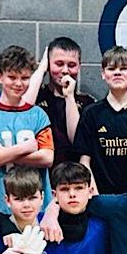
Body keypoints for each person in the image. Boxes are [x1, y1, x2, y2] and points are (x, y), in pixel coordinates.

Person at [0, 45, 55, 222]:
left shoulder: (38, 115)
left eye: (25, 78)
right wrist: (25, 148)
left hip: (36, 211)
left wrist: (1, 152)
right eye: (12, 77)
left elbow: (47, 158)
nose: (18, 83)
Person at [72, 46, 127, 195]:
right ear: (103, 74)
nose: (117, 72)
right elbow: (84, 160)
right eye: (111, 68)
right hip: (98, 197)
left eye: (124, 68)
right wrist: (94, 195)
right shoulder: (91, 114)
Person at [33, 37, 95, 168]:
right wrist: (41, 70)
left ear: (79, 67)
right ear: (48, 64)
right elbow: (22, 109)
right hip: (39, 175)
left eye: (71, 65)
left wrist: (69, 97)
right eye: (59, 64)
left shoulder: (87, 103)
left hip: (73, 178)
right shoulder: (35, 97)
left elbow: (78, 143)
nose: (65, 70)